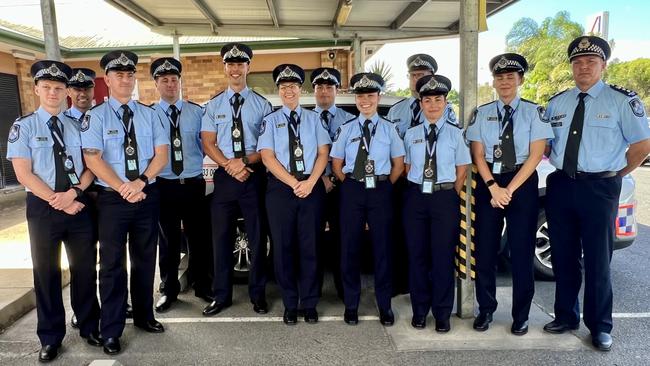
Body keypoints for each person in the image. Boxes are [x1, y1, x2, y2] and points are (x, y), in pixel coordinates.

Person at [543, 35, 650, 351]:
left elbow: (642, 145)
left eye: (590, 61)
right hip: (562, 184)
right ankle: (565, 315)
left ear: (603, 65)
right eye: (577, 62)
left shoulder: (621, 101)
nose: (583, 67)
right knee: (563, 257)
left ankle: (601, 326)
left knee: (598, 260)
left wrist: (616, 174)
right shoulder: (557, 102)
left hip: (600, 188)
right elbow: (547, 145)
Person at [6, 60, 101, 362]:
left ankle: (89, 326)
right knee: (45, 273)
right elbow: (23, 173)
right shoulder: (24, 126)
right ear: (36, 89)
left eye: (58, 88)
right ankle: (50, 337)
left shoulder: (79, 126)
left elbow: (90, 169)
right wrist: (56, 199)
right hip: (44, 208)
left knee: (84, 270)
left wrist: (73, 194)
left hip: (77, 204)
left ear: (66, 92)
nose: (52, 92)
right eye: (46, 87)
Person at [81, 50, 169, 355]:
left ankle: (145, 316)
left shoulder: (151, 114)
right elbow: (92, 158)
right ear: (108, 79)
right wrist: (123, 188)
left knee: (146, 259)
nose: (126, 79)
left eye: (130, 74)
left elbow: (162, 154)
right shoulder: (95, 116)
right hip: (112, 200)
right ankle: (111, 330)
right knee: (112, 266)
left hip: (146, 194)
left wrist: (140, 182)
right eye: (119, 74)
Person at [466, 53, 554, 335]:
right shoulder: (482, 113)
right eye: (500, 77)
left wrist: (509, 190)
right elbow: (477, 153)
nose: (505, 82)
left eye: (510, 77)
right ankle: (486, 309)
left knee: (521, 250)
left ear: (520, 80)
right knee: (486, 249)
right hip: (489, 181)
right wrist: (493, 186)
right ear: (493, 81)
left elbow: (537, 153)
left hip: (521, 181)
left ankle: (521, 315)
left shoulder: (533, 112)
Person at [201, 43, 272, 316]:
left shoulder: (262, 105)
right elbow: (208, 142)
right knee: (221, 240)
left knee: (257, 238)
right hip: (225, 179)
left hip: (253, 177)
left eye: (240, 64)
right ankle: (222, 297)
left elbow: (267, 147)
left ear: (248, 67)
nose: (235, 69)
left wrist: (242, 162)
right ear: (225, 68)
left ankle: (258, 295)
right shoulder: (213, 105)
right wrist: (229, 166)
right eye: (230, 64)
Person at [257, 64, 330, 324]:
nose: (289, 91)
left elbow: (323, 153)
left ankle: (309, 303)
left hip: (311, 187)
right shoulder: (270, 121)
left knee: (311, 247)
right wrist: (292, 183)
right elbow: (267, 157)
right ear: (278, 90)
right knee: (283, 248)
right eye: (284, 87)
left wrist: (310, 182)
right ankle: (290, 303)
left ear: (301, 89)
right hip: (281, 190)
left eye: (293, 86)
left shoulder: (314, 119)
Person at [330, 72, 405, 326]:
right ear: (356, 98)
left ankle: (385, 305)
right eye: (360, 96)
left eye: (370, 96)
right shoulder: (346, 129)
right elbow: (337, 164)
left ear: (378, 97)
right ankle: (351, 305)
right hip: (352, 189)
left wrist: (383, 188)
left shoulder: (390, 129)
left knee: (382, 249)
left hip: (381, 190)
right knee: (349, 248)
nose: (365, 101)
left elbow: (398, 165)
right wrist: (352, 186)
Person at [402, 74, 470, 332]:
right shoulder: (410, 134)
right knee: (417, 255)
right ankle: (420, 310)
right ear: (420, 103)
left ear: (445, 102)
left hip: (444, 197)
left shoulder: (455, 134)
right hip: (416, 196)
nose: (432, 105)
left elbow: (462, 169)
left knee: (442, 257)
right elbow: (408, 166)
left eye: (437, 100)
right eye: (427, 100)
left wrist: (446, 191)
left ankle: (442, 313)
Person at [149, 57, 210, 312]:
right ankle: (169, 289)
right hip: (164, 185)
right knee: (169, 241)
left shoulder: (197, 112)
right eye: (165, 80)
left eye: (174, 80)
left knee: (199, 239)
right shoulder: (149, 114)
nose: (171, 85)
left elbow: (205, 144)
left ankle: (203, 286)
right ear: (157, 84)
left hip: (193, 183)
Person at [310, 67, 354, 300]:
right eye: (319, 87)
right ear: (314, 91)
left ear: (337, 90)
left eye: (329, 87)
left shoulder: (350, 120)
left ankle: (344, 290)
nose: (324, 91)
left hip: (341, 189)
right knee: (312, 241)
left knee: (342, 241)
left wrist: (334, 177)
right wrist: (321, 178)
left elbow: (354, 156)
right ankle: (312, 292)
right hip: (313, 187)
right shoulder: (305, 119)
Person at [65, 67, 102, 330]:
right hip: (76, 198)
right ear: (69, 92)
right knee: (82, 260)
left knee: (112, 256)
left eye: (87, 88)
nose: (82, 93)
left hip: (104, 194)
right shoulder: (62, 121)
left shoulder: (103, 117)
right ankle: (83, 309)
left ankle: (117, 302)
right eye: (77, 88)